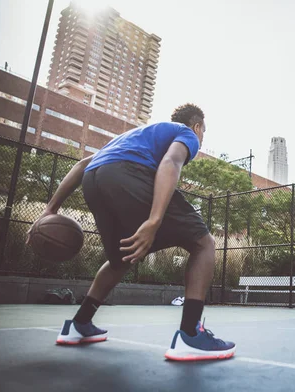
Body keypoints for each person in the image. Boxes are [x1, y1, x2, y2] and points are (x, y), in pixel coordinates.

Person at [27, 103, 236, 360]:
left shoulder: (135, 135)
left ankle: (79, 325)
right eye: (204, 132)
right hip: (126, 174)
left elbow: (83, 165)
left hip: (95, 180)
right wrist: (155, 220)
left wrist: (50, 210)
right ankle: (191, 335)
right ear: (196, 127)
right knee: (204, 243)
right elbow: (171, 161)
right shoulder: (187, 134)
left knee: (121, 257)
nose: (201, 138)